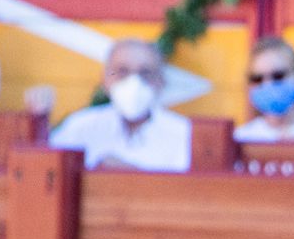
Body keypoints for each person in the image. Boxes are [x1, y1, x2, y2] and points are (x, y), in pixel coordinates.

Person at [45, 39, 191, 172]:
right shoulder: (79, 127)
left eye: (145, 73)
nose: (134, 83)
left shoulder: (184, 134)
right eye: (122, 72)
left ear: (161, 81)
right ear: (105, 78)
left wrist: (130, 174)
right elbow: (49, 173)